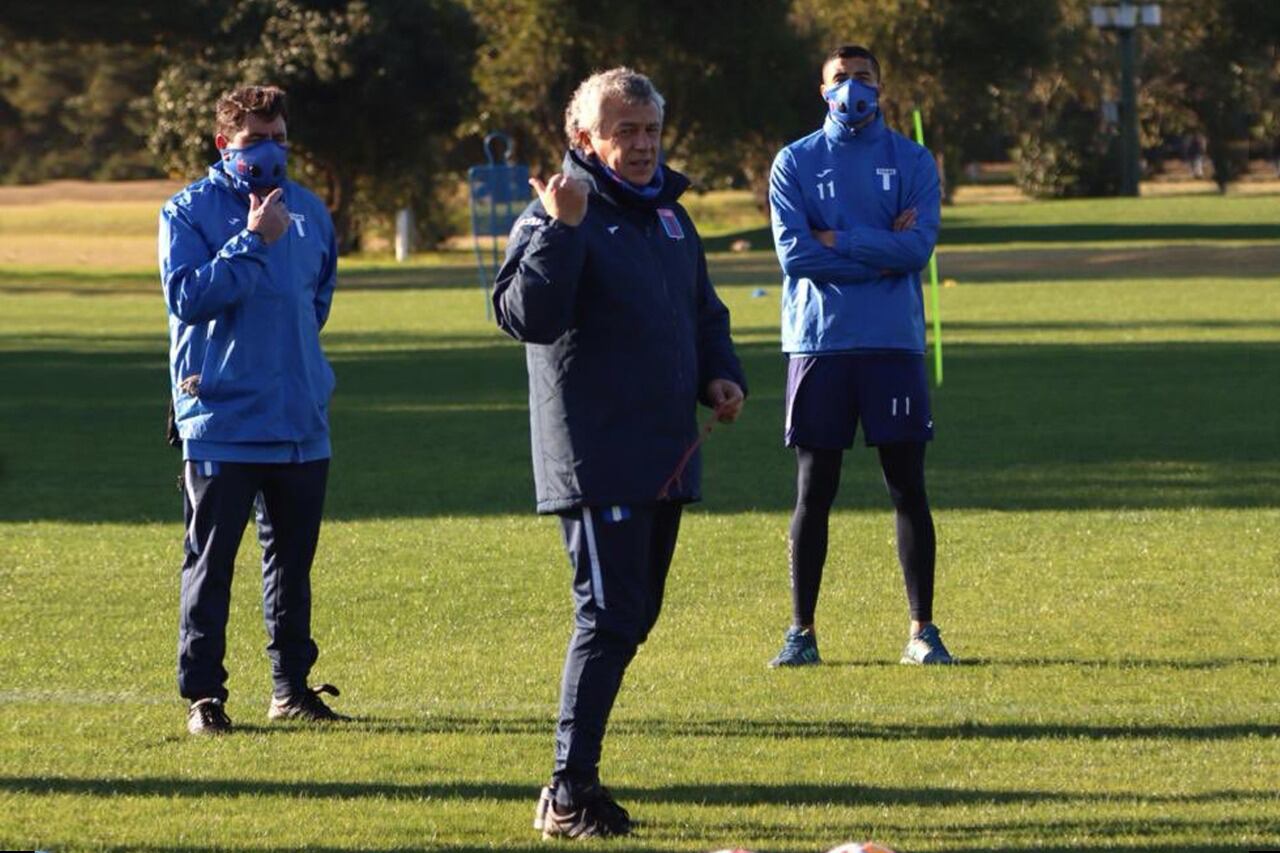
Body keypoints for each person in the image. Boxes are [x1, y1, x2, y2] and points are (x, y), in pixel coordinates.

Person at [493, 67, 747, 839]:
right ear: (585, 140)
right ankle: (568, 790)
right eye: (624, 132)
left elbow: (703, 311)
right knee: (606, 615)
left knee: (634, 616)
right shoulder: (558, 212)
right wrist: (562, 229)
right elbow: (524, 315)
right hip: (596, 452)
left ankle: (578, 781)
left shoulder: (668, 216)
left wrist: (720, 374)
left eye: (649, 131)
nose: (640, 146)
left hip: (664, 450)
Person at [159, 85, 347, 735]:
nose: (268, 153)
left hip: (299, 419)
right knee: (210, 566)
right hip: (222, 421)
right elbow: (188, 297)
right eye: (253, 142)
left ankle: (291, 687)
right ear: (223, 145)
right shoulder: (187, 212)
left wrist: (298, 369)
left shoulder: (311, 211)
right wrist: (249, 240)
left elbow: (317, 298)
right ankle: (203, 695)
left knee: (292, 568)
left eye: (278, 139)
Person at [766, 45, 952, 668]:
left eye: (863, 79)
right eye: (840, 79)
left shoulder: (913, 160)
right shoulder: (794, 162)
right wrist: (879, 246)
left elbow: (917, 250)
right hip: (819, 343)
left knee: (907, 488)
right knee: (814, 490)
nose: (852, 89)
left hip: (893, 344)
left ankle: (922, 631)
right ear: (823, 90)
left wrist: (838, 238)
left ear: (882, 88)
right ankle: (801, 634)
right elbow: (796, 257)